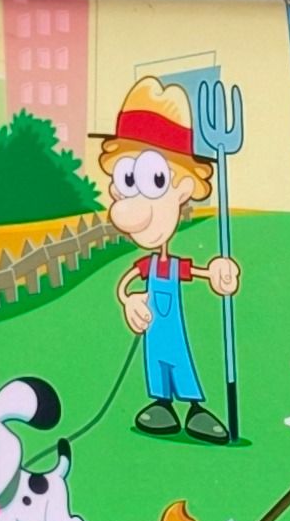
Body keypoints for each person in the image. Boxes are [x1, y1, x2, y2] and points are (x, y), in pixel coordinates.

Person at [97, 79, 238, 439]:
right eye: (126, 180)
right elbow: (125, 285)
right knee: (156, 364)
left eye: (154, 179)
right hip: (153, 332)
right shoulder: (146, 267)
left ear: (183, 187)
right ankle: (161, 405)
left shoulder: (174, 266)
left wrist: (218, 273)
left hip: (173, 330)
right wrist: (129, 300)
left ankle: (194, 409)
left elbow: (201, 273)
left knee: (181, 361)